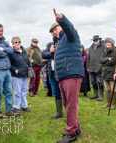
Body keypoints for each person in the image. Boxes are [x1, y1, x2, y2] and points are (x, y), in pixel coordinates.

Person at [50, 9, 84, 143]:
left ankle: (71, 134)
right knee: (68, 104)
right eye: (52, 31)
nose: (54, 32)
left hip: (71, 74)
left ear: (61, 27)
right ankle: (76, 129)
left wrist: (61, 19)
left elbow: (69, 28)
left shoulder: (70, 34)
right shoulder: (58, 42)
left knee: (71, 105)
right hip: (64, 75)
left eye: (55, 29)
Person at [9, 36, 31, 113]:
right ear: (13, 44)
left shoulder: (24, 51)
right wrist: (15, 70)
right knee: (17, 92)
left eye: (19, 42)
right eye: (16, 42)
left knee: (24, 91)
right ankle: (16, 107)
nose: (18, 43)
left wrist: (30, 69)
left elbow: (27, 61)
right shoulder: (11, 52)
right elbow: (9, 64)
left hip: (25, 74)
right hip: (17, 75)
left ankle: (24, 106)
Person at [42, 40, 63, 118]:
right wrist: (50, 52)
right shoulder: (51, 44)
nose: (54, 34)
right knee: (56, 93)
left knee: (65, 94)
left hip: (61, 72)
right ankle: (59, 112)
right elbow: (44, 54)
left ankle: (70, 115)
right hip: (52, 72)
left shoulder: (64, 42)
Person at [100, 38, 116, 109]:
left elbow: (113, 61)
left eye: (108, 42)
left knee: (114, 89)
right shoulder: (104, 51)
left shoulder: (115, 51)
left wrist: (104, 63)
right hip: (105, 73)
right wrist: (107, 58)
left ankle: (113, 104)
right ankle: (108, 103)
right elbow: (101, 60)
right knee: (107, 89)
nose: (107, 44)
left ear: (112, 43)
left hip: (112, 72)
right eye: (106, 43)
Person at [87, 35, 106, 101]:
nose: (95, 41)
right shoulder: (91, 47)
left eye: (96, 40)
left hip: (99, 67)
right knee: (93, 81)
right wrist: (88, 66)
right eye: (94, 40)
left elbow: (105, 56)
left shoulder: (103, 47)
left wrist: (102, 65)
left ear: (99, 40)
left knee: (100, 82)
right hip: (92, 68)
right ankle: (95, 94)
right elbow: (88, 58)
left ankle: (101, 96)